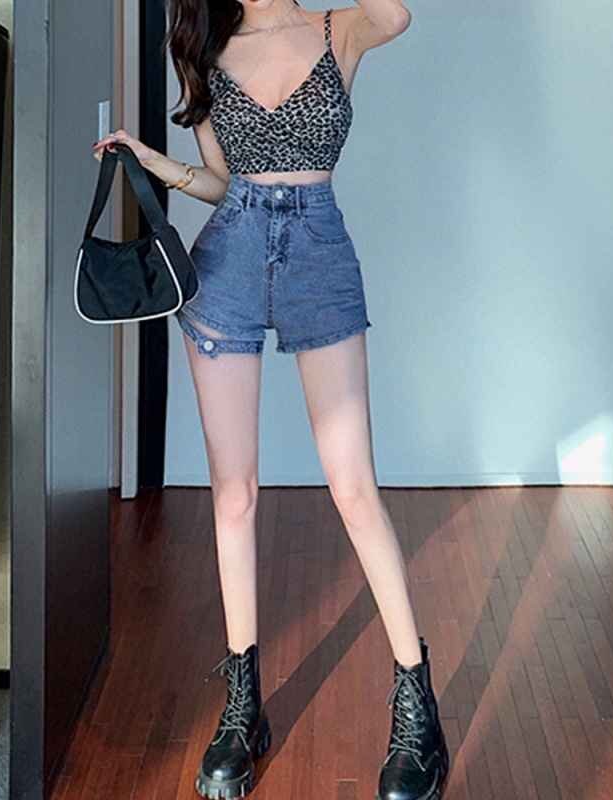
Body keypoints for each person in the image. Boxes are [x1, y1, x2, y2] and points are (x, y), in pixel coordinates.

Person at [92, 2, 448, 798]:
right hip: (230, 263)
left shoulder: (338, 30)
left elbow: (397, 14)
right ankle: (243, 708)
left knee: (354, 488)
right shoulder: (205, 49)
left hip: (319, 254)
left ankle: (417, 708)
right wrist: (153, 161)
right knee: (235, 495)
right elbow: (221, 182)